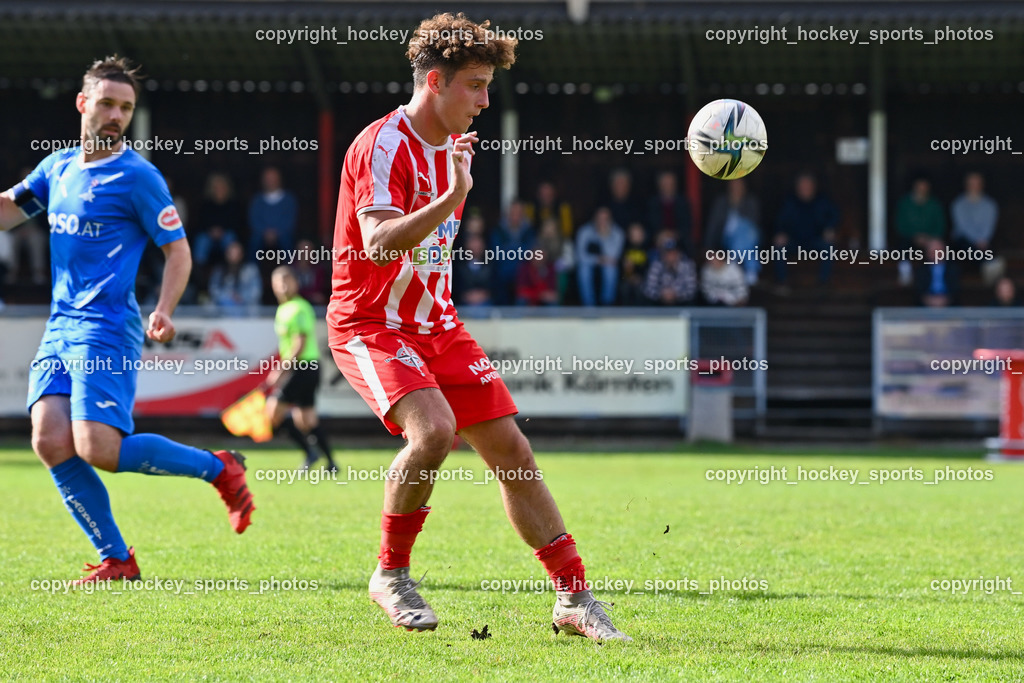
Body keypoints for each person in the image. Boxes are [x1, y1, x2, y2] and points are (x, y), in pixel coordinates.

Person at [326, 13, 629, 642]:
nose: (487, 101)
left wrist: (453, 188)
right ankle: (390, 574)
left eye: (490, 85)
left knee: (513, 453)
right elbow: (380, 243)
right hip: (372, 323)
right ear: (434, 81)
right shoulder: (381, 145)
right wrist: (452, 197)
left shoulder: (454, 149)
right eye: (476, 85)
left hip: (437, 323)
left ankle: (573, 597)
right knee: (433, 430)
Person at [0, 56, 255, 584]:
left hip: (107, 327)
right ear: (82, 103)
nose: (117, 115)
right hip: (59, 327)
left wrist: (163, 308)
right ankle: (117, 559)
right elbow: (10, 209)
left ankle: (220, 468)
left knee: (100, 450)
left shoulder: (138, 176)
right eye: (108, 103)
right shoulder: (59, 168)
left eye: (127, 107)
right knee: (49, 440)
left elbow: (179, 253)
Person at [266, 266, 336, 471]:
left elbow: (299, 344)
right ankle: (331, 462)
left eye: (287, 280)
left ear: (296, 283)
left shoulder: (299, 307)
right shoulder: (282, 309)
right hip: (303, 368)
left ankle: (310, 453)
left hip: (304, 367)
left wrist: (281, 370)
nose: (282, 285)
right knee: (305, 419)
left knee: (273, 412)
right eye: (278, 282)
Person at [773, 172, 840, 286]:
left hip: (815, 240)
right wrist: (780, 233)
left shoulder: (822, 201)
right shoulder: (789, 202)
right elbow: (779, 221)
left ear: (813, 187)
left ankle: (823, 283)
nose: (805, 189)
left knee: (829, 247)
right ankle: (781, 283)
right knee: (778, 247)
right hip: (794, 241)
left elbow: (835, 215)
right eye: (802, 186)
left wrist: (830, 228)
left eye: (807, 186)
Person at [704, 178, 761, 285]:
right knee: (742, 237)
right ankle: (751, 268)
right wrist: (709, 247)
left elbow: (753, 224)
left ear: (744, 187)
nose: (736, 188)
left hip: (749, 238)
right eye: (733, 185)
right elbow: (713, 225)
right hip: (727, 240)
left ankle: (734, 265)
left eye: (739, 185)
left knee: (743, 229)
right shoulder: (721, 202)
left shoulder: (751, 202)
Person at [575, 207, 624, 306]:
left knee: (610, 269)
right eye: (599, 218)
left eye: (605, 219)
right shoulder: (584, 231)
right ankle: (589, 306)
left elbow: (614, 257)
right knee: (583, 270)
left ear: (610, 220)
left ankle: (607, 304)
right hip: (589, 263)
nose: (602, 222)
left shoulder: (617, 233)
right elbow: (580, 257)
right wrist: (598, 259)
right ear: (594, 219)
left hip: (607, 264)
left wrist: (604, 237)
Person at [490, 198, 535, 305]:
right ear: (507, 214)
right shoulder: (498, 231)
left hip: (524, 273)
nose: (515, 216)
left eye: (519, 213)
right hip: (503, 273)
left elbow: (531, 253)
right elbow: (496, 254)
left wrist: (510, 251)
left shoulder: (529, 232)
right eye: (513, 213)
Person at [248, 166, 298, 258]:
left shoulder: (289, 199)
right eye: (267, 179)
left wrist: (276, 233)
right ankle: (252, 269)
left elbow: (289, 220)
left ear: (279, 180)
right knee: (254, 241)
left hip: (282, 233)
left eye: (273, 179)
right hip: (261, 234)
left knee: (287, 240)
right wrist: (265, 232)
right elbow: (254, 220)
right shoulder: (257, 200)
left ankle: (289, 269)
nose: (270, 182)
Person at [647, 170, 693, 256]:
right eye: (665, 184)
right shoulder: (652, 203)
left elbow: (687, 226)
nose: (668, 187)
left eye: (670, 184)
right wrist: (659, 236)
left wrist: (672, 234)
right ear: (659, 185)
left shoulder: (683, 203)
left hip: (679, 244)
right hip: (658, 244)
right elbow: (649, 226)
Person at [209, 241, 262, 312]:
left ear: (242, 255)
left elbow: (256, 291)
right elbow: (213, 289)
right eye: (231, 254)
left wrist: (241, 297)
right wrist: (229, 297)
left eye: (237, 254)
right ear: (226, 254)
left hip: (247, 310)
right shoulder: (219, 270)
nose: (234, 257)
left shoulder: (251, 270)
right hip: (223, 310)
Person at [643, 237, 697, 305]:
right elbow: (648, 288)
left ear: (679, 253)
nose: (670, 256)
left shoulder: (688, 266)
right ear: (663, 254)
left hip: (681, 304)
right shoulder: (656, 266)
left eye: (673, 252)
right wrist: (661, 294)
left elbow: (692, 290)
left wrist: (676, 294)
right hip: (659, 304)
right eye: (668, 253)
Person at [914, 238, 960, 307]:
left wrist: (945, 300)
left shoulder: (953, 268)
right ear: (927, 253)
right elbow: (919, 291)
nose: (936, 255)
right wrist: (929, 300)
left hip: (949, 305)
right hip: (926, 306)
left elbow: (956, 289)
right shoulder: (921, 269)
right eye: (933, 252)